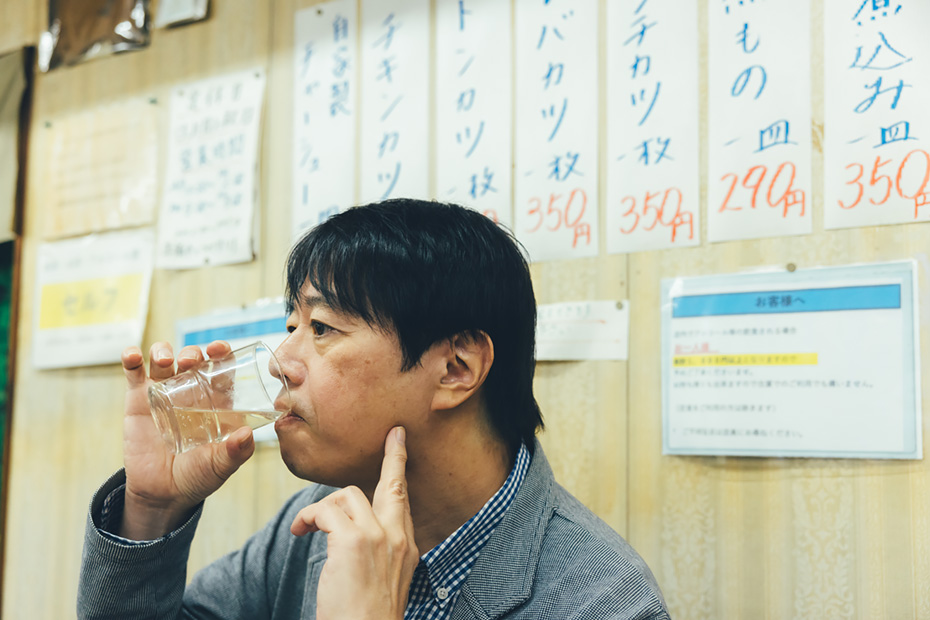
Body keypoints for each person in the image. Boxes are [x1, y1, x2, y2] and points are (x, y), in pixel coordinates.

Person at [78, 199, 670, 619]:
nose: (282, 359)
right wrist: (149, 512)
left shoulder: (602, 602)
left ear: (456, 369)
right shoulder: (317, 523)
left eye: (323, 327)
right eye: (291, 325)